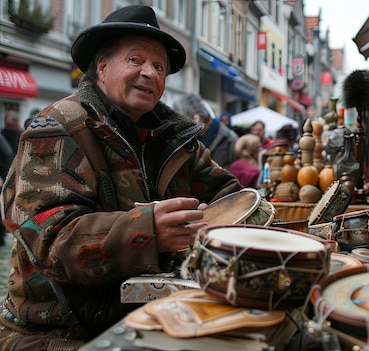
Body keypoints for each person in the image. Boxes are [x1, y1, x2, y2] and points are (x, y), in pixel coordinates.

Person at [0, 5, 242, 350]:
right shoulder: (58, 127)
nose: (151, 73)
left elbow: (230, 198)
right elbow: (46, 240)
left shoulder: (174, 138)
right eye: (135, 60)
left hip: (153, 314)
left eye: (159, 67)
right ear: (102, 67)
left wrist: (251, 221)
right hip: (57, 331)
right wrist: (146, 231)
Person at [173, 93, 239, 168]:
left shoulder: (230, 138)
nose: (181, 125)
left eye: (183, 120)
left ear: (196, 117)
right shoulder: (190, 139)